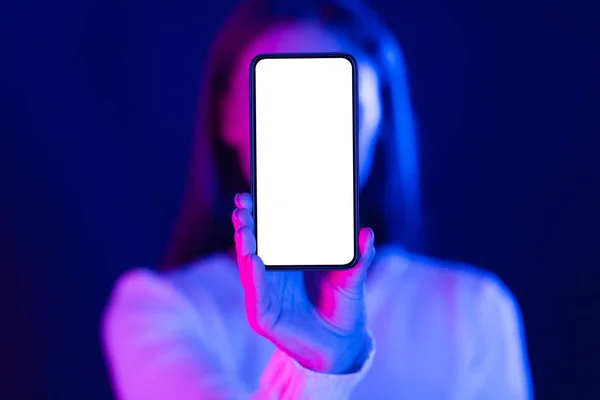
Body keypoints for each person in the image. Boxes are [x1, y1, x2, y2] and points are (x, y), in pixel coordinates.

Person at [102, 0, 533, 398]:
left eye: (337, 105)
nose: (307, 135)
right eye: (280, 104)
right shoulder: (159, 310)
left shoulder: (473, 312)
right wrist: (317, 370)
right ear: (227, 118)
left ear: (378, 122)